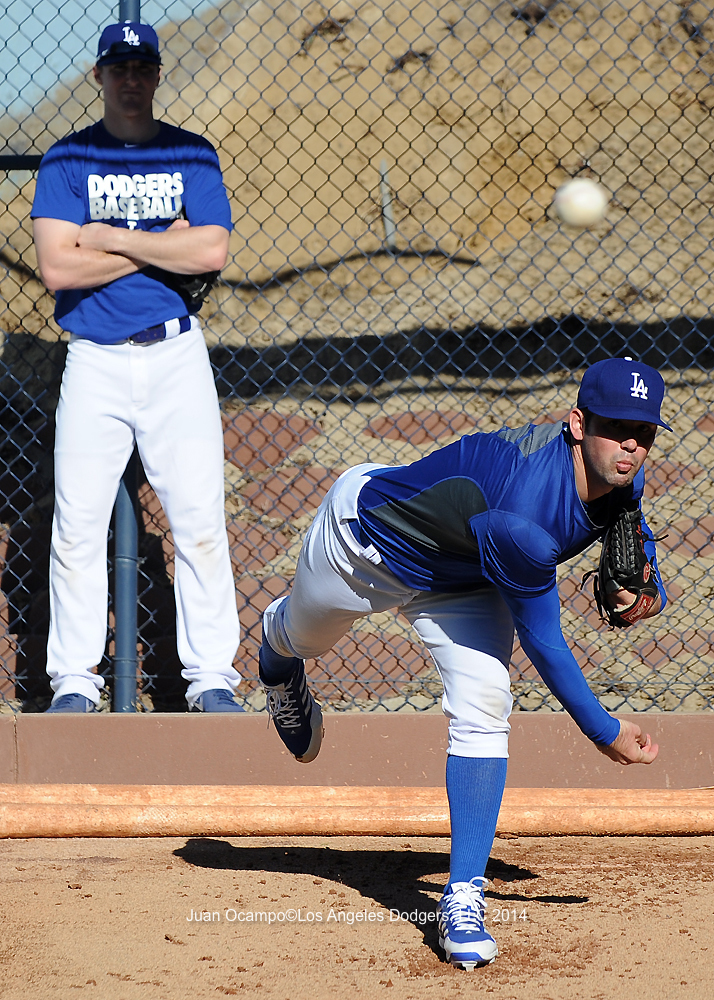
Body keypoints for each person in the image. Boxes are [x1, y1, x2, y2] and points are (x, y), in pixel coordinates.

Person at [258, 357, 670, 969]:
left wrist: (648, 585)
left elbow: (629, 529)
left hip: (464, 579)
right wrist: (603, 730)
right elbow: (544, 642)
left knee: (484, 704)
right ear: (579, 424)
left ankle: (461, 897)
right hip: (367, 547)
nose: (632, 443)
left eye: (645, 431)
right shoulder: (524, 519)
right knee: (301, 636)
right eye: (616, 426)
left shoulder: (620, 477)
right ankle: (276, 664)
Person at [30, 22, 242, 713]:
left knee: (200, 521)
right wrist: (160, 244)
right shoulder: (69, 159)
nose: (130, 78)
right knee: (79, 524)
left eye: (141, 66)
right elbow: (57, 264)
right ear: (98, 77)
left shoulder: (190, 153)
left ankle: (212, 678)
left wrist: (111, 238)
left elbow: (211, 252)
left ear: (156, 75)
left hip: (176, 354)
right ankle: (74, 682)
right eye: (117, 67)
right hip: (93, 358)